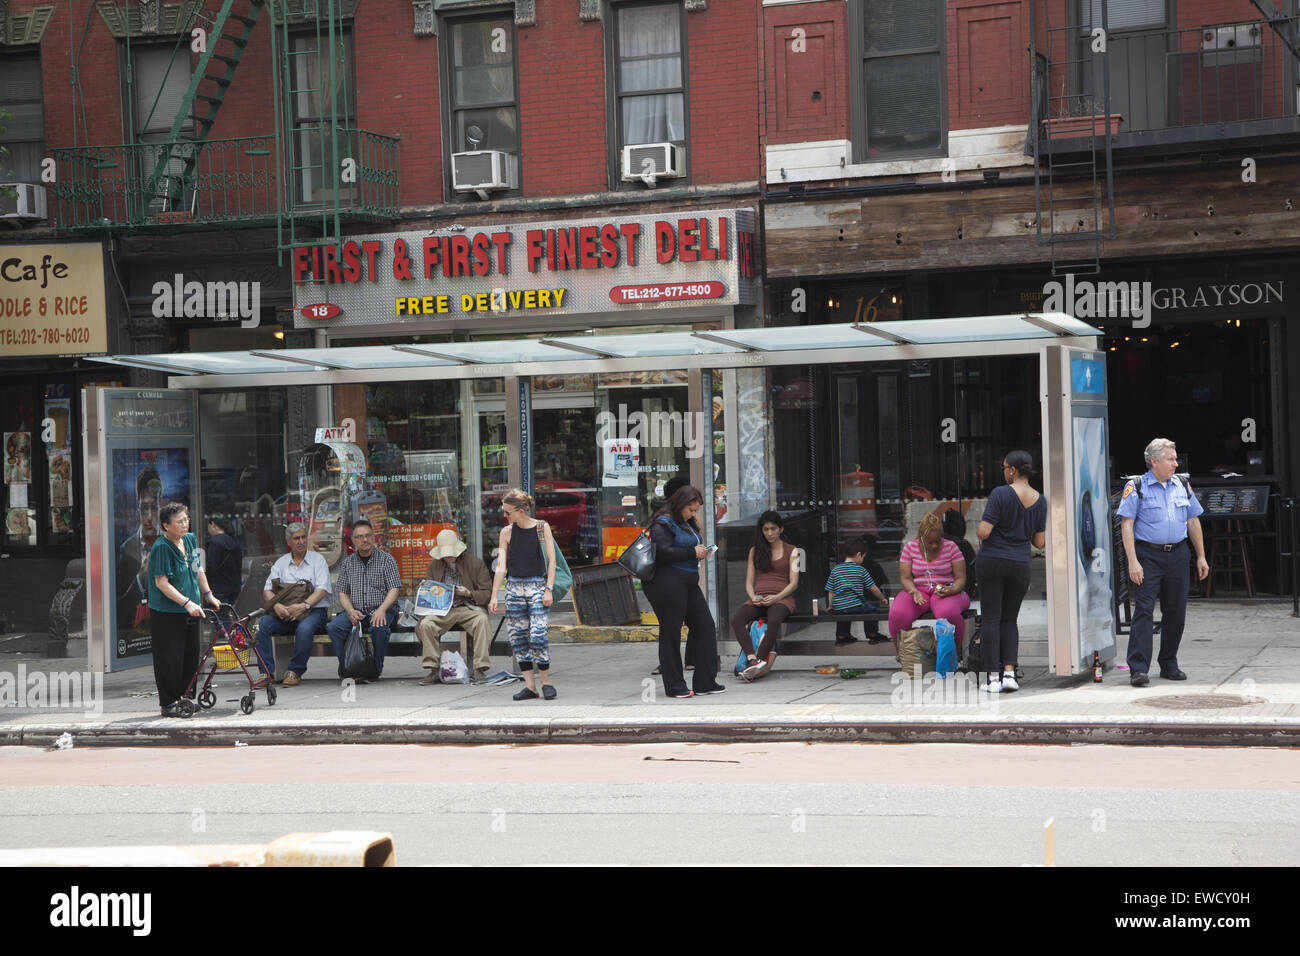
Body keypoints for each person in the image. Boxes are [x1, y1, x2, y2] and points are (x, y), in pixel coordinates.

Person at [1117, 438, 1209, 687]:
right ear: (1154, 461)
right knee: (1144, 611)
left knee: (1176, 611)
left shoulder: (1181, 484)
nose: (1175, 464)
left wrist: (1200, 555)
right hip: (1148, 555)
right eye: (1170, 459)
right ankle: (1138, 668)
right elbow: (1127, 525)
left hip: (1178, 554)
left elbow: (1193, 521)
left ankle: (1169, 663)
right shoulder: (1136, 486)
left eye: (1175, 459)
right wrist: (1133, 561)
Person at [642, 484, 724, 698]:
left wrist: (701, 552)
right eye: (691, 509)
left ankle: (705, 682)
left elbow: (690, 548)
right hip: (667, 582)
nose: (693, 514)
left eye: (695, 510)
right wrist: (691, 552)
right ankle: (675, 685)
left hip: (688, 581)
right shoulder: (662, 523)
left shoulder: (686, 523)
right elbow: (662, 552)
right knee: (671, 631)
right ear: (680, 505)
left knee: (706, 625)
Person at [976, 451, 1048, 693]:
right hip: (1020, 564)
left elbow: (984, 532)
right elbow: (1039, 542)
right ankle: (1009, 674)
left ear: (1013, 470)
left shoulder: (1000, 494)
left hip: (993, 561)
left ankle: (993, 678)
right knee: (1009, 619)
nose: (1004, 471)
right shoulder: (1040, 499)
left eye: (1004, 467)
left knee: (990, 618)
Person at [147, 503, 221, 717]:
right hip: (167, 611)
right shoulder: (161, 547)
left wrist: (208, 595)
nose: (184, 524)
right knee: (170, 657)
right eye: (179, 521)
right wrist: (186, 602)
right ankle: (169, 702)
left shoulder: (189, 539)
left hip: (192, 609)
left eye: (186, 519)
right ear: (165, 526)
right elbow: (161, 582)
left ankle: (186, 698)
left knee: (191, 655)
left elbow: (198, 568)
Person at [489, 489, 558, 700]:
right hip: (514, 587)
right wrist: (494, 596)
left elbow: (552, 560)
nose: (505, 516)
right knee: (518, 638)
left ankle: (545, 681)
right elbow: (501, 566)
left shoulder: (541, 527)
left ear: (519, 511)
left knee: (538, 635)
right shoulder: (506, 533)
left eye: (508, 512)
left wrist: (549, 588)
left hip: (537, 586)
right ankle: (531, 686)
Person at [252, 523, 331, 689]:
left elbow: (322, 590)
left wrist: (304, 606)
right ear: (289, 541)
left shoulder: (318, 560)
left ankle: (295, 671)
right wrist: (278, 606)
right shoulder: (281, 563)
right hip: (286, 613)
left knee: (304, 629)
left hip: (313, 612)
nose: (301, 541)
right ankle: (266, 673)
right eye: (297, 538)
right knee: (261, 625)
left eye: (303, 537)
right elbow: (267, 591)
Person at [326, 518, 402, 680]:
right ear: (353, 540)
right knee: (334, 627)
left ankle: (375, 670)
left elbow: (394, 589)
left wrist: (382, 610)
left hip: (383, 609)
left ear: (374, 537)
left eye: (368, 535)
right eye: (360, 537)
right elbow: (343, 592)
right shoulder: (347, 563)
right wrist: (350, 611)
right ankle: (348, 667)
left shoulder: (387, 560)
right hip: (357, 612)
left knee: (379, 628)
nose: (364, 539)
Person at [416, 528, 493, 685]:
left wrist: (469, 593)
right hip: (443, 610)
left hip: (468, 607)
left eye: (450, 553)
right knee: (426, 624)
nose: (448, 557)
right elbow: (431, 594)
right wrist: (426, 589)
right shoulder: (434, 565)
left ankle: (480, 668)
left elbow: (487, 593)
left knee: (482, 620)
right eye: (444, 554)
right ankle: (434, 669)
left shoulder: (475, 563)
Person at [731, 510, 801, 681]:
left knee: (774, 620)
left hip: (782, 598)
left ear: (781, 529)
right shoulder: (755, 551)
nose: (769, 533)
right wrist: (753, 596)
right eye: (766, 529)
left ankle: (761, 659)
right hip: (759, 597)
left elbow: (794, 583)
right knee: (737, 620)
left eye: (773, 529)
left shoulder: (793, 551)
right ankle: (751, 659)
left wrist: (777, 597)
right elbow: (749, 581)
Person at [889, 512, 971, 649]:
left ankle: (956, 652)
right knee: (898, 614)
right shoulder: (910, 548)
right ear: (921, 537)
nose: (934, 545)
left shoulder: (951, 547)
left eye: (938, 541)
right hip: (918, 590)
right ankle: (903, 654)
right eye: (929, 542)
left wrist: (952, 589)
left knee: (947, 613)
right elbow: (906, 577)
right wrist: (913, 591)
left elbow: (961, 578)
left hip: (945, 590)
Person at [825, 537, 887, 646]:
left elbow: (831, 591)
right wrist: (882, 599)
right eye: (863, 556)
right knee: (871, 610)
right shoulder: (860, 570)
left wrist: (831, 605)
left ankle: (842, 635)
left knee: (842, 611)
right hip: (856, 605)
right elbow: (874, 588)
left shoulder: (835, 569)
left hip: (839, 606)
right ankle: (872, 633)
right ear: (859, 555)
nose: (863, 559)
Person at [204, 516, 243, 607]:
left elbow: (210, 565)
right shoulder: (235, 542)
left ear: (212, 524)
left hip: (218, 587)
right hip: (234, 586)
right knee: (227, 612)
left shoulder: (215, 542)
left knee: (219, 617)